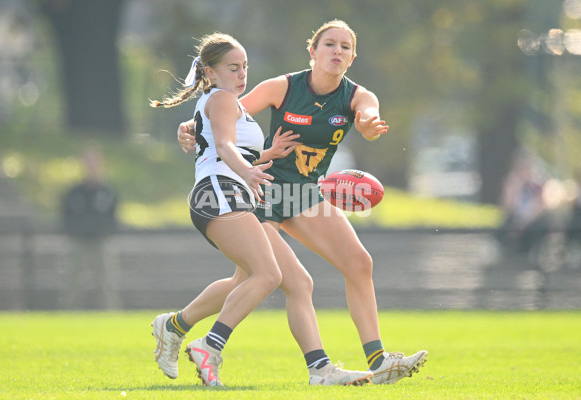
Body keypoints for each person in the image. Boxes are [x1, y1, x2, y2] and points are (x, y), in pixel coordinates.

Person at [175, 20, 428, 385]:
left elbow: (369, 111)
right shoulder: (283, 86)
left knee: (358, 262)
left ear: (352, 57)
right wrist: (188, 126)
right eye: (330, 44)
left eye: (345, 46)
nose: (337, 51)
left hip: (304, 193)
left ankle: (378, 361)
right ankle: (181, 327)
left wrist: (369, 123)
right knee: (264, 279)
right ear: (313, 51)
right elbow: (227, 109)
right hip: (261, 190)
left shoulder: (357, 96)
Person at [150, 32, 373, 387]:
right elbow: (223, 146)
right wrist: (248, 170)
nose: (242, 74)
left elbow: (223, 142)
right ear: (210, 71)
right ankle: (210, 344)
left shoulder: (233, 105)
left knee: (291, 281)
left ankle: (319, 369)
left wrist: (266, 155)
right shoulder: (223, 98)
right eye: (233, 68)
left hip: (233, 194)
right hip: (221, 194)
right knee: (268, 275)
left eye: (245, 67)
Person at [61, 144, 119, 309]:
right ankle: (68, 315)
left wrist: (105, 233)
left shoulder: (107, 191)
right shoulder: (74, 192)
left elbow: (113, 216)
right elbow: (66, 216)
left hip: (101, 242)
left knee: (106, 283)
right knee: (73, 282)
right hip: (79, 242)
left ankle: (111, 316)